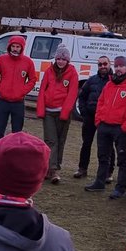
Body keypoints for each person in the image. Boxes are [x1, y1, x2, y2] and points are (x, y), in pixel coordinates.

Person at [85, 56, 126, 199]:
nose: (118, 69)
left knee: (122, 159)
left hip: (120, 128)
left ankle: (120, 188)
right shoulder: (109, 84)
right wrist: (98, 121)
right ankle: (99, 182)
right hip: (104, 125)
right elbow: (101, 102)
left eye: (121, 66)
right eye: (116, 66)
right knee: (103, 156)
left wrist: (125, 128)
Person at [36, 46, 79, 185]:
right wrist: (41, 110)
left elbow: (72, 94)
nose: (60, 61)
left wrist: (65, 112)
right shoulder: (49, 71)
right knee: (51, 140)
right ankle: (52, 169)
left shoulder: (72, 73)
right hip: (49, 111)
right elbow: (42, 90)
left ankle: (54, 167)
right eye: (58, 59)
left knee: (60, 141)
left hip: (62, 112)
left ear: (67, 60)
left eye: (63, 59)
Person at [73, 56, 111, 180]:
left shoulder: (114, 80)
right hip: (90, 117)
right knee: (86, 144)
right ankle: (82, 169)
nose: (103, 66)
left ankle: (108, 173)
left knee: (107, 146)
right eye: (100, 64)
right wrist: (83, 111)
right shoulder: (91, 80)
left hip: (106, 118)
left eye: (105, 64)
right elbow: (82, 96)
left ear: (109, 64)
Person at [0, 35, 37, 139]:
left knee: (16, 134)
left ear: (22, 48)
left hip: (18, 103)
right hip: (3, 101)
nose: (15, 49)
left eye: (18, 46)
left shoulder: (28, 62)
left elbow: (32, 79)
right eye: (13, 46)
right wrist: (1, 88)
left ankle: (13, 155)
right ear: (9, 47)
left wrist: (22, 91)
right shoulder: (1, 59)